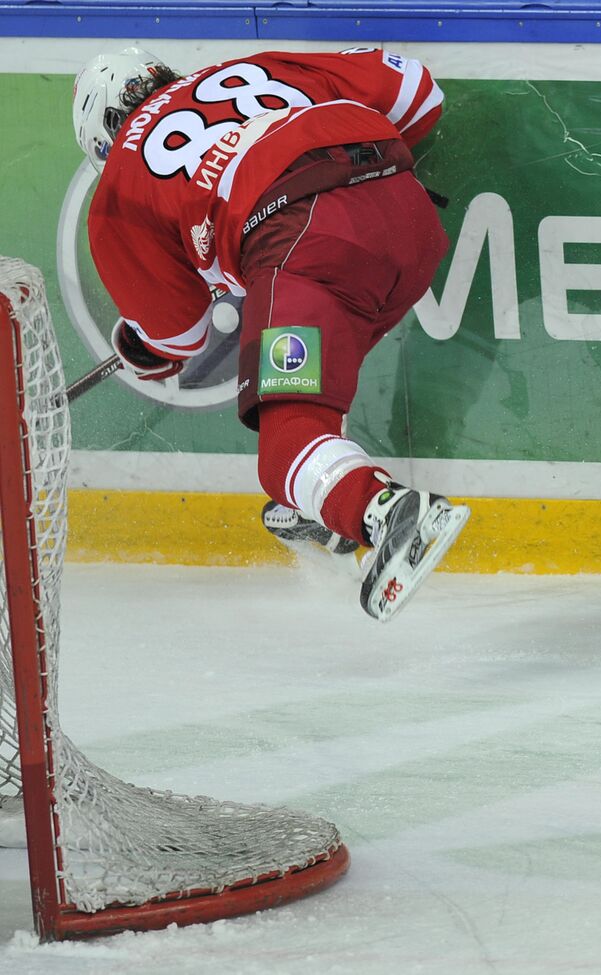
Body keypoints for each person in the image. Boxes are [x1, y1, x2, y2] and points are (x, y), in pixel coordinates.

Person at [73, 46, 469, 622]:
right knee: (319, 378)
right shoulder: (258, 66)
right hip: (408, 218)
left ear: (103, 143)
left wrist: (140, 348)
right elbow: (419, 93)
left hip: (310, 242)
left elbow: (176, 335)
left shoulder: (117, 192)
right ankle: (322, 495)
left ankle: (385, 510)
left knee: (284, 446)